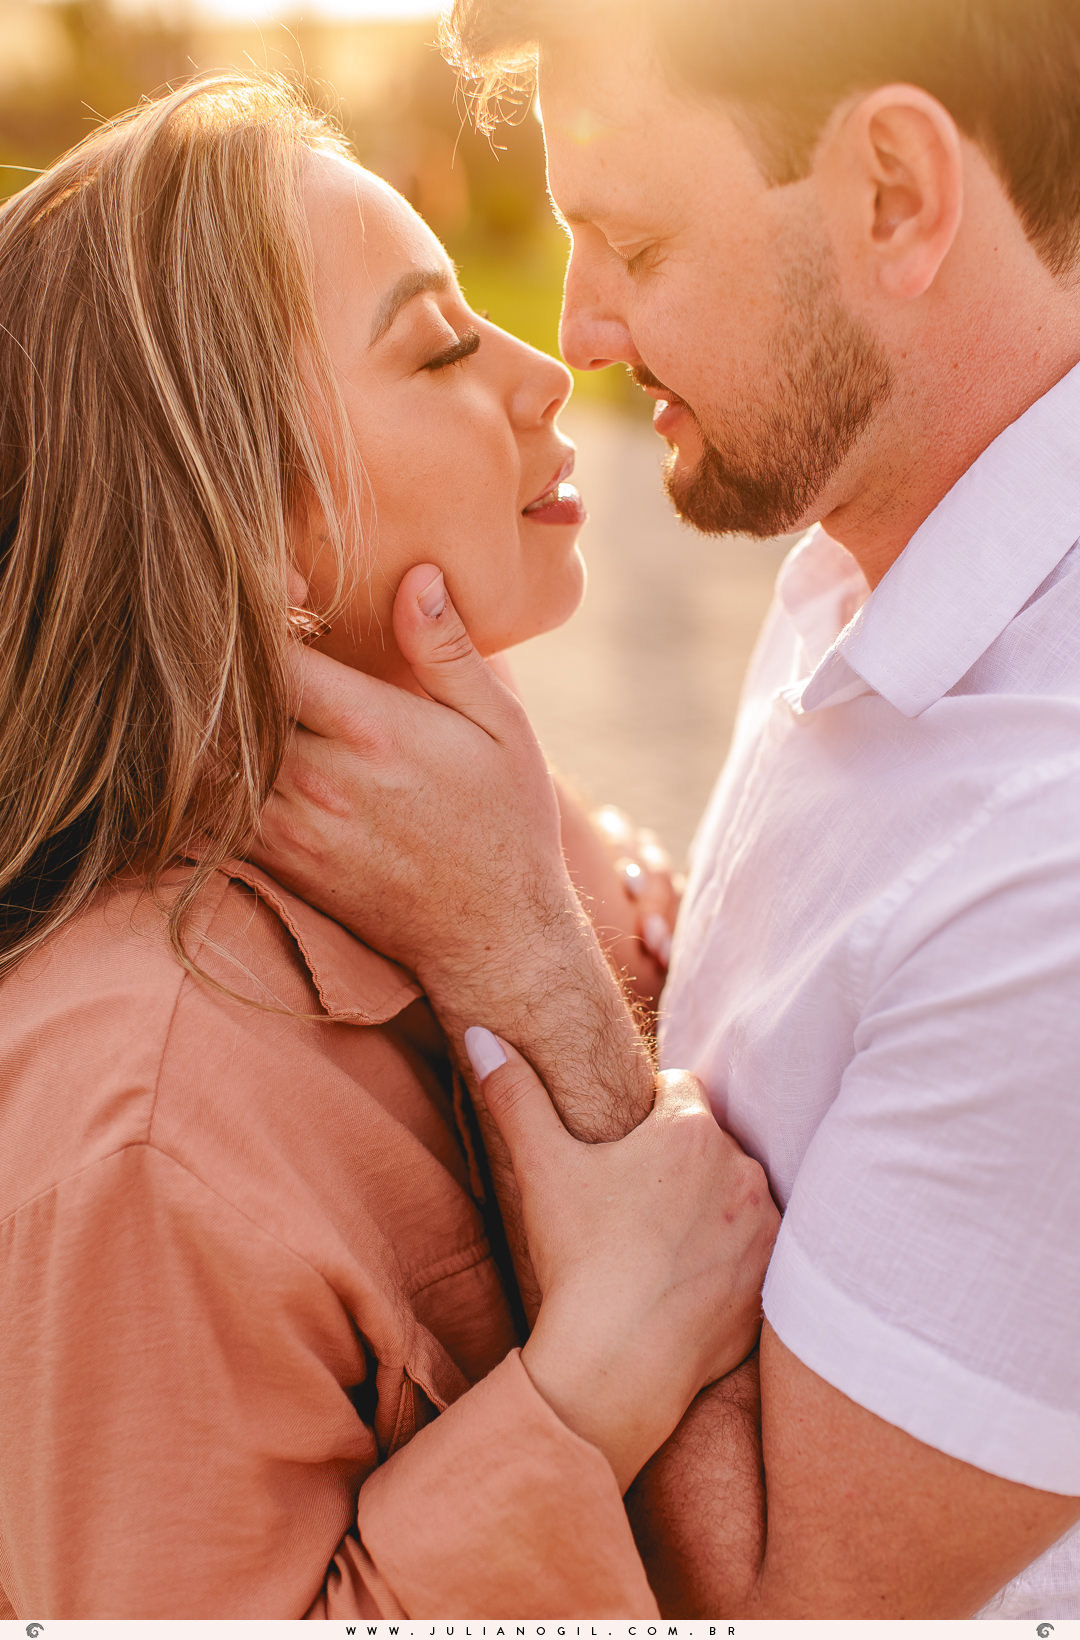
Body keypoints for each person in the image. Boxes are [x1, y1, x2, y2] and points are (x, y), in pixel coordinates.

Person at [252, 0, 1080, 1618]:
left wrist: (525, 949)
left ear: (896, 195)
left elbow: (795, 1605)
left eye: (631, 239)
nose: (582, 330)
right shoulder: (878, 523)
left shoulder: (1054, 858)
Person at [0, 73, 779, 1620]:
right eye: (438, 344)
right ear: (246, 518)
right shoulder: (134, 1135)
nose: (549, 373)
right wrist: (586, 1397)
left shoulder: (505, 830)